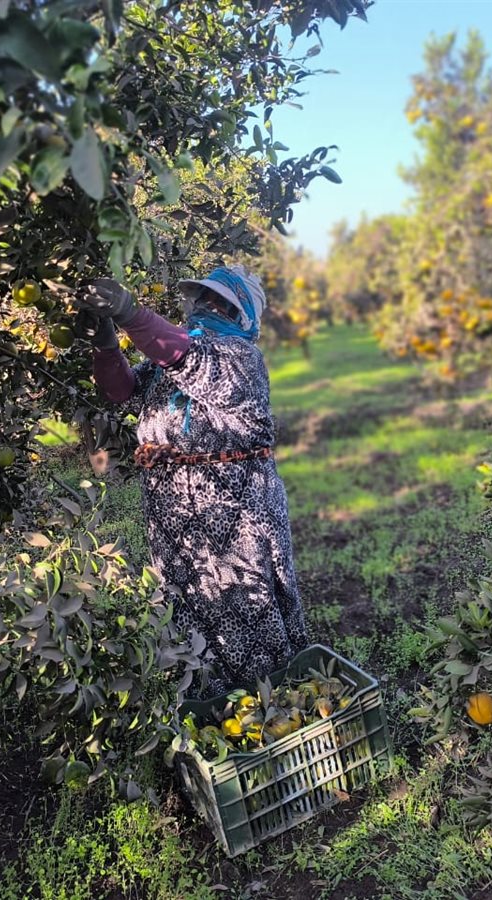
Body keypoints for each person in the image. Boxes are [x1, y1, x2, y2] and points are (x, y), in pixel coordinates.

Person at [78, 266, 309, 698]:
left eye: (220, 302)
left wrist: (130, 314)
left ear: (243, 317)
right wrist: (106, 347)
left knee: (244, 601)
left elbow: (185, 357)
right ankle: (214, 699)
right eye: (203, 298)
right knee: (189, 602)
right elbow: (121, 391)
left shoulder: (241, 359)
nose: (207, 307)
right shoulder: (169, 361)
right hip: (174, 511)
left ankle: (275, 698)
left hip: (234, 509)